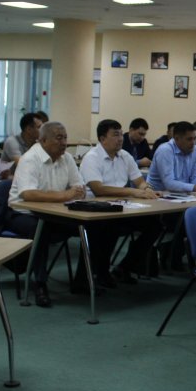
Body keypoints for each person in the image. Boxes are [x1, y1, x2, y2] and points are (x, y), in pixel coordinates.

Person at [7, 121, 86, 307]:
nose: (64, 143)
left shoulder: (67, 158)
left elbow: (79, 187)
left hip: (56, 214)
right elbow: (28, 194)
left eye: (65, 138)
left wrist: (73, 193)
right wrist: (64, 195)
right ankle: (40, 284)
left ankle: (84, 280)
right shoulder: (30, 159)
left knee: (90, 227)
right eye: (59, 138)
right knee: (41, 230)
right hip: (23, 214)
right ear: (43, 140)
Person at [78, 119, 160, 286]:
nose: (121, 138)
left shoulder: (125, 156)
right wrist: (133, 191)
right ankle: (100, 273)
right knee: (111, 227)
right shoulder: (92, 158)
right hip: (95, 211)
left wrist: (147, 189)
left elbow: (139, 181)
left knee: (155, 225)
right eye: (115, 135)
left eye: (121, 134)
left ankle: (124, 268)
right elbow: (99, 189)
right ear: (103, 138)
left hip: (121, 208)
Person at [148, 121, 196, 193]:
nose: (193, 143)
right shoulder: (165, 150)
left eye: (195, 138)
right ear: (177, 138)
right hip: (157, 194)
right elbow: (169, 183)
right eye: (189, 139)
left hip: (183, 195)